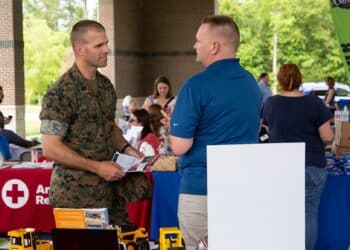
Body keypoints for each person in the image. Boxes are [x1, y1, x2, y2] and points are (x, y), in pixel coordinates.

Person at [39, 20, 152, 226]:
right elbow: (50, 147)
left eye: (106, 43)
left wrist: (127, 149)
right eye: (99, 45)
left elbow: (109, 126)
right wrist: (97, 167)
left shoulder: (105, 86)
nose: (107, 49)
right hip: (76, 197)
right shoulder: (61, 93)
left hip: (111, 192)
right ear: (79, 49)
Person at [168, 15, 262, 249]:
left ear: (214, 46)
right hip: (242, 189)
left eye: (198, 40)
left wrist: (173, 126)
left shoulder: (196, 85)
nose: (194, 46)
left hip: (202, 191)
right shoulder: (252, 84)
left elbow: (179, 146)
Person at [262, 64, 334, 250]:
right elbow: (327, 137)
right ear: (300, 79)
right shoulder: (314, 103)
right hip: (311, 165)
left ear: (279, 80)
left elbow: (268, 129)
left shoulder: (271, 103)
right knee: (307, 216)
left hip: (280, 168)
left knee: (281, 216)